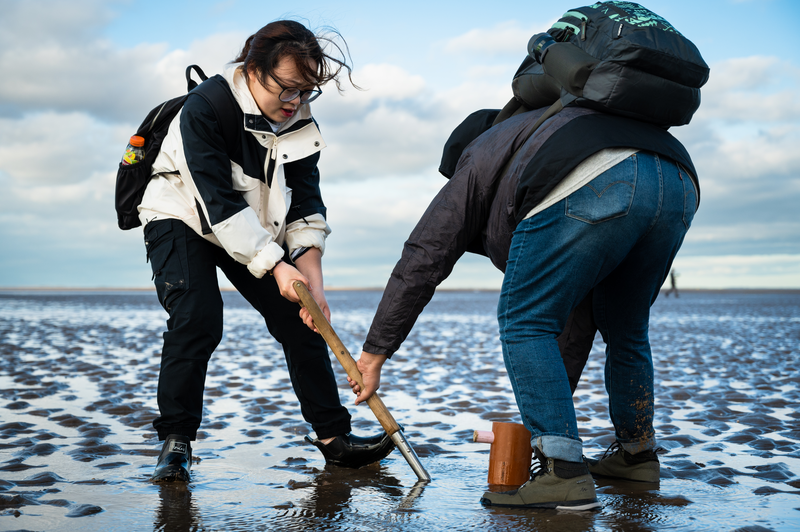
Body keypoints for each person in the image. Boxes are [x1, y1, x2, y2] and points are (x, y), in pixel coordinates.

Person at [349, 101, 699, 508]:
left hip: (597, 172)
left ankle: (563, 475)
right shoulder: (535, 131)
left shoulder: (479, 155)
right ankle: (637, 457)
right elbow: (575, 319)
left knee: (525, 321)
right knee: (628, 329)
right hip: (677, 179)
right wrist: (547, 422)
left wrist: (374, 354)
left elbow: (424, 256)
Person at [137, 20, 394, 483]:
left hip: (251, 225)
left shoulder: (300, 122)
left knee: (301, 319)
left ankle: (334, 439)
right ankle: (176, 443)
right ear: (254, 68)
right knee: (197, 317)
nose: (295, 102)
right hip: (181, 214)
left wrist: (312, 282)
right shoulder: (205, 107)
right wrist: (277, 265)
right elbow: (217, 203)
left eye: (307, 92)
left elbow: (305, 205)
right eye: (288, 88)